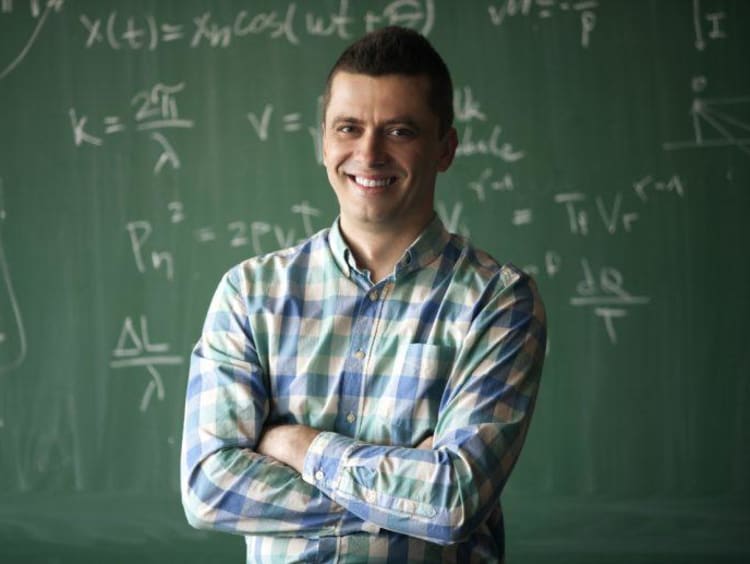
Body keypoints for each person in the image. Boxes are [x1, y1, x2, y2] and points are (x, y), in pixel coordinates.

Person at [181, 25, 546, 563]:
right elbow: (208, 488)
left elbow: (452, 500)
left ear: (445, 149)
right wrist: (404, 491)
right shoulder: (250, 294)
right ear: (323, 143)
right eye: (348, 128)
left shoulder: (499, 301)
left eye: (400, 131)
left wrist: (297, 446)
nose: (368, 153)